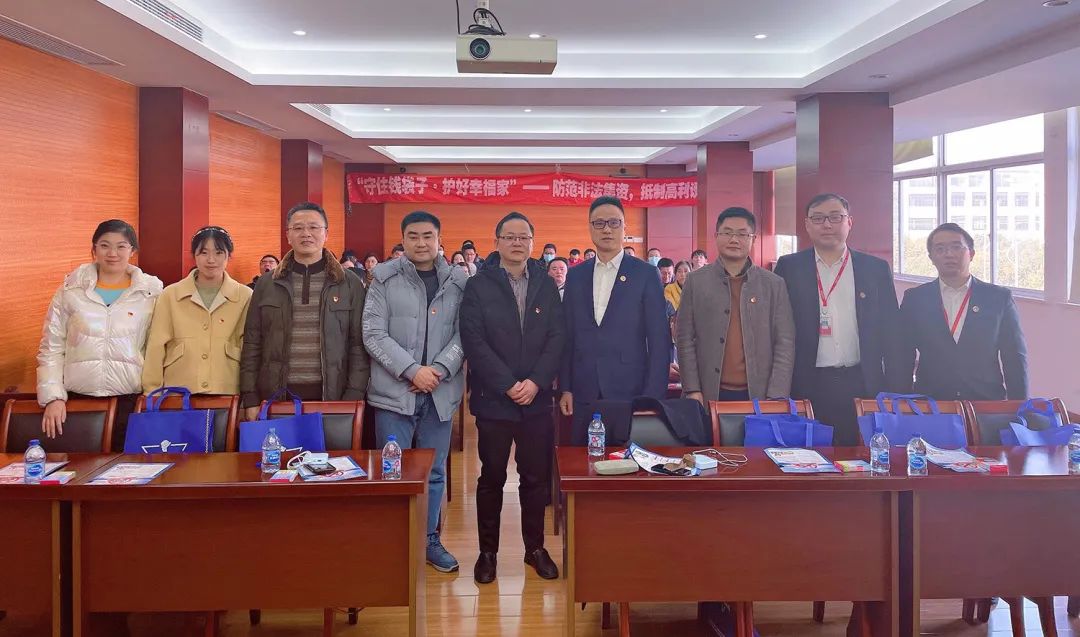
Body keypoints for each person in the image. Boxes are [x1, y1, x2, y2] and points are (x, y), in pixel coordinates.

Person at [459, 212, 564, 584]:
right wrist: (507, 383)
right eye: (510, 236)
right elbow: (473, 340)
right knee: (491, 477)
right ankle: (487, 553)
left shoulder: (546, 284)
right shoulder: (479, 285)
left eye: (524, 237)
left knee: (535, 479)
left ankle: (534, 549)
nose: (517, 243)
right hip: (494, 400)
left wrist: (535, 382)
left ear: (533, 242)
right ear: (497, 241)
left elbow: (557, 337)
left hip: (537, 400)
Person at [364, 210, 468, 573]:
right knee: (393, 471)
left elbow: (466, 333)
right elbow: (373, 334)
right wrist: (412, 370)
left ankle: (429, 540)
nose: (421, 243)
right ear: (403, 239)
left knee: (435, 472)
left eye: (428, 236)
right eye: (413, 236)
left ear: (439, 239)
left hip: (440, 392)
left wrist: (438, 370)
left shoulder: (459, 281)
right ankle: (393, 543)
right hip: (394, 393)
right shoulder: (384, 278)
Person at [774, 193, 906, 446]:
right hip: (806, 382)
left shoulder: (875, 269)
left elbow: (892, 332)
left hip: (861, 382)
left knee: (860, 455)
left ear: (849, 222)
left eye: (835, 217)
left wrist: (895, 389)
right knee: (807, 456)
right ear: (807, 225)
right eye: (818, 218)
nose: (827, 225)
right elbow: (777, 329)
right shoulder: (789, 267)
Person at [37, 219, 163, 450]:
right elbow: (51, 348)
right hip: (77, 402)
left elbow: (158, 349)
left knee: (128, 469)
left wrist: (152, 396)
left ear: (133, 251)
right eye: (105, 245)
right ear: (94, 249)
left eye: (121, 246)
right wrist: (53, 397)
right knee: (80, 468)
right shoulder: (70, 291)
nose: (112, 253)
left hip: (131, 402)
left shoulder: (151, 294)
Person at [239, 202, 370, 419]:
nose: (306, 234)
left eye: (314, 227)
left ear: (326, 233)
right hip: (275, 397)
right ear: (288, 235)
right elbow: (252, 342)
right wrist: (250, 397)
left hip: (333, 396)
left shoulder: (350, 283)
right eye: (298, 228)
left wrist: (353, 396)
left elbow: (359, 345)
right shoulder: (266, 284)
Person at [560, 197, 669, 424]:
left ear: (624, 227)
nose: (607, 229)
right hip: (583, 390)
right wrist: (566, 387)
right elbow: (568, 335)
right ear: (590, 228)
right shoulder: (576, 275)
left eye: (614, 222)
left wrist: (653, 395)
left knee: (627, 448)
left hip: (630, 390)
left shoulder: (645, 274)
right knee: (582, 447)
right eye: (599, 223)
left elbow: (659, 339)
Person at [677, 208, 794, 403]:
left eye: (742, 234)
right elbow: (684, 338)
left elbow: (785, 341)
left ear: (753, 239)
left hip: (761, 395)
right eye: (727, 232)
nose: (734, 239)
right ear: (716, 236)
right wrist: (692, 389)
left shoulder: (773, 284)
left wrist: (776, 394)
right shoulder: (695, 282)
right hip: (707, 393)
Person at [900, 222, 1028, 400]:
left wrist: (1019, 406)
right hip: (932, 404)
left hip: (985, 401)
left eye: (956, 247)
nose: (949, 254)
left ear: (971, 254)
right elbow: (903, 355)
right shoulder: (915, 299)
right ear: (931, 258)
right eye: (940, 249)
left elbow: (1014, 358)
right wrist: (901, 403)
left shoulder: (998, 298)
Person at [142, 226, 252, 396]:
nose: (211, 260)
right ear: (194, 256)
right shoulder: (171, 294)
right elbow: (156, 346)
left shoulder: (245, 296)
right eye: (203, 253)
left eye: (218, 253)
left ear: (229, 256)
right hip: (178, 391)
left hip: (228, 390)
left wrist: (249, 397)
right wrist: (152, 392)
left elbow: (250, 348)